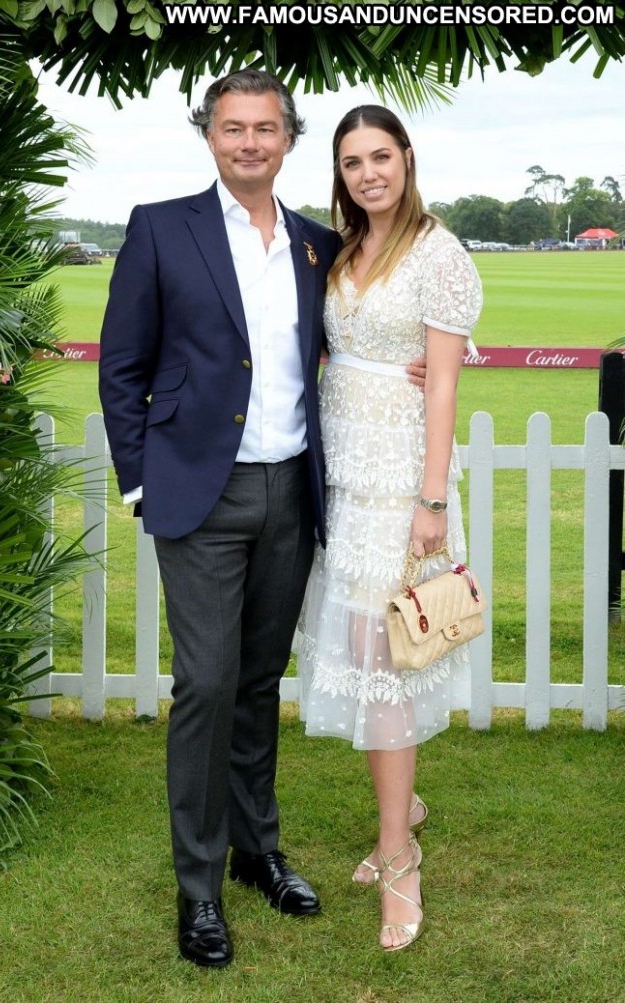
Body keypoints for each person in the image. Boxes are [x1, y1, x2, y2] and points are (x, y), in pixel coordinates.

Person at [98, 69, 343, 970]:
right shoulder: (161, 228)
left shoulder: (317, 244)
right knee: (207, 681)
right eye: (233, 127)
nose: (249, 142)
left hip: (291, 493)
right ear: (209, 135)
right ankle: (198, 887)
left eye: (264, 128)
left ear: (288, 138)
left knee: (258, 680)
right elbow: (122, 365)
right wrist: (140, 482)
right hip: (200, 495)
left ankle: (255, 849)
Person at [298, 105, 483, 952]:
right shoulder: (342, 249)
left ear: (407, 158)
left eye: (381, 156)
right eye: (352, 161)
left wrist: (431, 500)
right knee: (362, 649)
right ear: (340, 173)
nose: (368, 172)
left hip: (401, 482)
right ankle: (400, 806)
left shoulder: (438, 253)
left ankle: (399, 854)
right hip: (343, 475)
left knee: (385, 660)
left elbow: (440, 383)